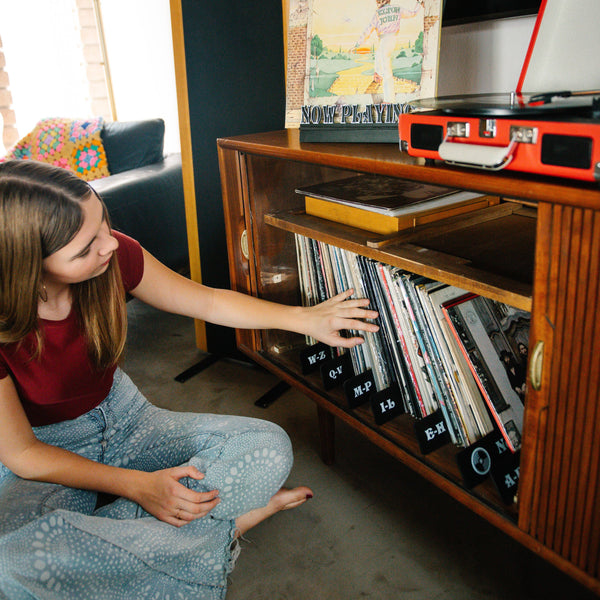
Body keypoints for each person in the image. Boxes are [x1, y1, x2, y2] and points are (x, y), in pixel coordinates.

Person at [0, 160, 379, 599]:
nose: (108, 246)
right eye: (84, 250)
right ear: (27, 263)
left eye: (104, 225)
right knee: (11, 563)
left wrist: (304, 319)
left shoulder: (115, 253)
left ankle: (122, 545)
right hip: (49, 452)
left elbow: (210, 303)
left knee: (268, 448)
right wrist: (138, 488)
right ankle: (225, 530)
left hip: (128, 418)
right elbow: (24, 453)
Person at [354, 0, 423, 103]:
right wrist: (418, 4)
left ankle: (389, 100)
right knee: (378, 54)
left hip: (385, 40)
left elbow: (368, 30)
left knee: (387, 71)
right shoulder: (397, 8)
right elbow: (412, 13)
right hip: (391, 39)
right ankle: (378, 75)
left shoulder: (378, 13)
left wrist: (358, 44)